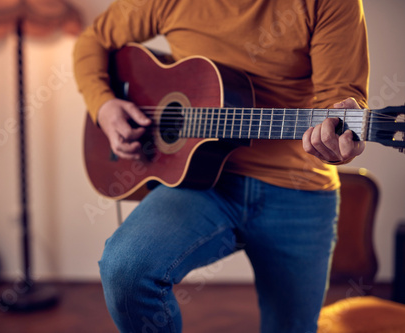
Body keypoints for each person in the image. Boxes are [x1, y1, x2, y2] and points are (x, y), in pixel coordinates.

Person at [73, 0, 369, 332]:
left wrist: (337, 140)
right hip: (198, 184)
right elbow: (93, 40)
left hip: (299, 189)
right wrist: (104, 105)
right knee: (125, 270)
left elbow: (339, 103)